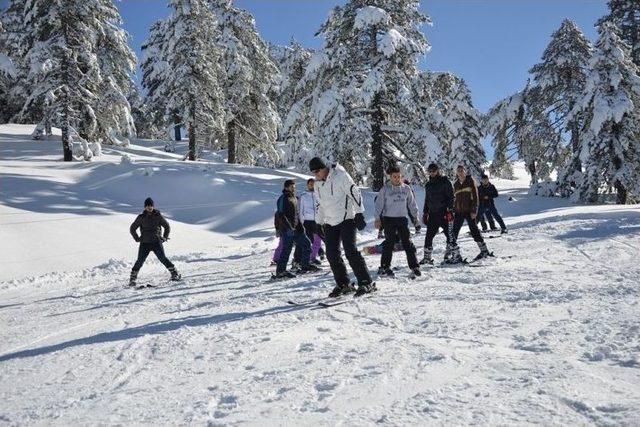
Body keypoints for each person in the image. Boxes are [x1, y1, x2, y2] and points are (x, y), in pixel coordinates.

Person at [309, 157, 376, 298]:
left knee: (350, 251)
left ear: (323, 168)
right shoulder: (317, 185)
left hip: (347, 219)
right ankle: (344, 284)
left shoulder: (340, 176)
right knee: (331, 254)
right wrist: (318, 222)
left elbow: (355, 193)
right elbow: (320, 204)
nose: (316, 175)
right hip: (330, 222)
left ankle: (366, 282)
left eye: (317, 171)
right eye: (313, 173)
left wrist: (359, 213)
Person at [374, 165, 421, 277]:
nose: (396, 179)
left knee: (407, 243)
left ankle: (414, 267)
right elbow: (379, 205)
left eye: (398, 176)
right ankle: (384, 267)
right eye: (394, 177)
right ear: (390, 177)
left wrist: (415, 218)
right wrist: (377, 219)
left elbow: (412, 204)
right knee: (389, 243)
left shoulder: (406, 189)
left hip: (402, 219)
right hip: (389, 219)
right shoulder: (385, 189)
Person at [129, 197, 181, 286]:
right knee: (140, 260)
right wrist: (137, 238)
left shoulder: (158, 216)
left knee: (163, 258)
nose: (149, 207)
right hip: (144, 243)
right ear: (145, 207)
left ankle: (175, 274)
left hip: (156, 242)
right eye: (147, 206)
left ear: (153, 206)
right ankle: (132, 279)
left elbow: (167, 226)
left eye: (151, 206)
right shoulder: (141, 217)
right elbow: (132, 228)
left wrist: (164, 237)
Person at [274, 179, 317, 279]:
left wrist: (301, 227)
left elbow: (296, 214)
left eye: (294, 187)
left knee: (306, 244)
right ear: (286, 187)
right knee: (286, 249)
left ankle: (305, 265)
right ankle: (281, 271)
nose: (294, 188)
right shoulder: (283, 198)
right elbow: (280, 214)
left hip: (296, 229)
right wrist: (288, 228)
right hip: (287, 229)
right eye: (291, 187)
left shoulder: (295, 198)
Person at [450, 165, 492, 262]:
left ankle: (484, 250)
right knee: (454, 232)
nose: (460, 172)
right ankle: (454, 254)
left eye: (462, 170)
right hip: (459, 212)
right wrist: (454, 209)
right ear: (456, 173)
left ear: (465, 171)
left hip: (469, 211)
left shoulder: (470, 181)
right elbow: (455, 199)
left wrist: (474, 210)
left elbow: (475, 197)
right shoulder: (456, 184)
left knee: (474, 230)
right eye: (458, 171)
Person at [421, 163, 455, 265]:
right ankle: (427, 258)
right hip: (433, 214)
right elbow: (427, 200)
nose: (432, 173)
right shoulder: (428, 185)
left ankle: (454, 254)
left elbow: (451, 197)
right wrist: (425, 212)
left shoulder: (445, 182)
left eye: (434, 171)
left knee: (449, 234)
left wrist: (450, 210)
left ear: (438, 171)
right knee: (429, 236)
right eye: (430, 171)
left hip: (444, 212)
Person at [293, 178, 324, 267]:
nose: (312, 185)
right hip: (307, 221)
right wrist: (301, 223)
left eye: (313, 184)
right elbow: (300, 210)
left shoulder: (318, 195)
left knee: (318, 240)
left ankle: (312, 258)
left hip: (317, 221)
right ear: (307, 185)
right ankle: (298, 260)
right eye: (310, 184)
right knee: (306, 241)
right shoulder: (303, 196)